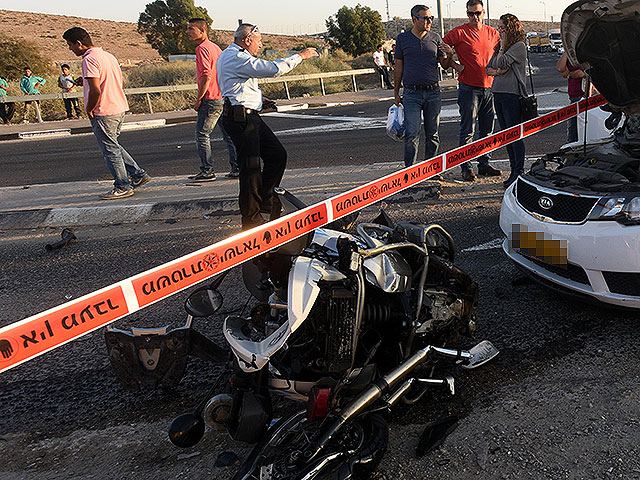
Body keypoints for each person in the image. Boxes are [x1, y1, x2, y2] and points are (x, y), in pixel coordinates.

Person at [217, 24, 318, 229]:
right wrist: (301, 56)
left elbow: (241, 86)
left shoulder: (236, 55)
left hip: (248, 115)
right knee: (251, 168)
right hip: (241, 119)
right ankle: (251, 219)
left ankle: (265, 200)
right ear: (247, 40)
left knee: (277, 155)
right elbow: (273, 69)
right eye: (259, 40)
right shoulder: (236, 57)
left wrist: (260, 99)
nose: (261, 45)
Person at [63, 27, 151, 200]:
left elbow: (96, 90)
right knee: (114, 145)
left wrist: (89, 108)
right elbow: (105, 80)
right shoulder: (107, 56)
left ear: (79, 43)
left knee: (109, 150)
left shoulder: (88, 60)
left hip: (104, 110)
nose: (70, 48)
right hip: (118, 106)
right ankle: (138, 174)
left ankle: (122, 185)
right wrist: (85, 82)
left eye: (70, 45)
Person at [443, 0, 502, 181]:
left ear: (483, 12)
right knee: (467, 129)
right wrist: (454, 64)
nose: (474, 17)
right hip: (469, 88)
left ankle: (484, 164)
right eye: (470, 14)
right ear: (467, 14)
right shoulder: (459, 32)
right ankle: (466, 167)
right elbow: (441, 50)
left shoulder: (493, 33)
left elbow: (503, 53)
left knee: (487, 130)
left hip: (490, 88)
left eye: (477, 13)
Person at [394, 5, 454, 167]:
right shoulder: (403, 39)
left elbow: (445, 65)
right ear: (414, 19)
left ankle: (430, 169)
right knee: (412, 133)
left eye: (431, 18)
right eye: (425, 18)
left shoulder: (435, 38)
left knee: (432, 134)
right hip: (411, 94)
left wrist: (450, 54)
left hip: (433, 92)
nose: (429, 21)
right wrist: (396, 91)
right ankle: (409, 171)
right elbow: (398, 66)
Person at [186, 17, 239, 181]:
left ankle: (207, 170)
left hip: (210, 98)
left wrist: (199, 98)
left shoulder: (202, 49)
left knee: (202, 134)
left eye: (191, 29)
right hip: (222, 97)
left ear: (202, 31)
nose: (187, 32)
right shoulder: (215, 48)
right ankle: (237, 168)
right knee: (228, 135)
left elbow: (206, 76)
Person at [486, 13, 527, 188]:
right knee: (506, 136)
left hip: (512, 94)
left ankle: (519, 171)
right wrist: (497, 71)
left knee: (514, 135)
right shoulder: (501, 46)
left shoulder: (518, 46)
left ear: (510, 28)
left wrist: (501, 50)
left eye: (502, 27)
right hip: (498, 92)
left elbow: (500, 62)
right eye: (499, 27)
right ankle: (513, 169)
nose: (499, 31)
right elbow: (489, 68)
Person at [556, 52, 585, 143]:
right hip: (574, 95)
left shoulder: (582, 54)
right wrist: (566, 52)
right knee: (573, 124)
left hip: (583, 95)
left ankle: (573, 143)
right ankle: (573, 142)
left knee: (575, 125)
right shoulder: (571, 56)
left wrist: (570, 73)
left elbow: (581, 73)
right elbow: (561, 69)